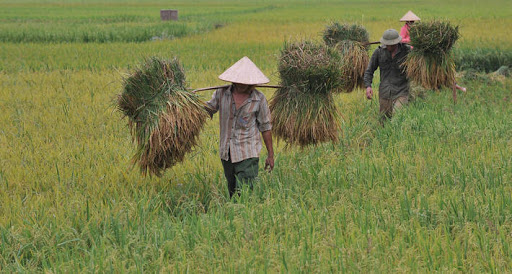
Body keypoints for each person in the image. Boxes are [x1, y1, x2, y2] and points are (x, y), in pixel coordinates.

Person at [205, 56, 274, 198]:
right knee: (232, 191)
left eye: (246, 82)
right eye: (239, 81)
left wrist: (270, 155)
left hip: (248, 153)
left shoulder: (258, 99)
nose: (242, 84)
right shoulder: (222, 93)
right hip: (227, 153)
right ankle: (232, 217)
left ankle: (243, 217)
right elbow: (208, 109)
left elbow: (266, 127)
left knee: (245, 194)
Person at [400, 10, 467, 93]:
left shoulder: (418, 28)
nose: (412, 22)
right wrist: (411, 40)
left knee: (443, 73)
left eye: (413, 21)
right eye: (410, 21)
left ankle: (455, 87)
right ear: (407, 21)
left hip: (421, 50)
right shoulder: (404, 28)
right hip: (412, 50)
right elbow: (402, 39)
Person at [364, 29, 411, 121]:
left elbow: (417, 66)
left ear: (397, 43)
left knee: (397, 117)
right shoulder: (379, 52)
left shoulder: (406, 51)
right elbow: (369, 71)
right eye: (387, 44)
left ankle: (398, 135)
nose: (388, 46)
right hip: (385, 92)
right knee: (384, 120)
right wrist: (368, 86)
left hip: (401, 91)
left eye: (391, 45)